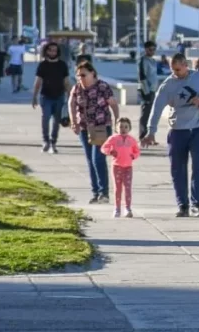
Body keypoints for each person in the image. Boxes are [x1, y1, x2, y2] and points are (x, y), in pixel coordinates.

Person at [144, 54, 199, 218]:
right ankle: (182, 205)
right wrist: (151, 131)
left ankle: (197, 204)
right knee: (178, 170)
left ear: (185, 65)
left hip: (198, 130)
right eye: (172, 70)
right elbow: (156, 108)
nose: (175, 73)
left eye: (177, 69)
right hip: (177, 131)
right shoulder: (168, 85)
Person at [68, 61, 120, 204]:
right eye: (78, 76)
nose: (81, 78)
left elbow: (113, 104)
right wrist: (73, 122)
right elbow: (71, 104)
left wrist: (117, 122)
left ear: (93, 74)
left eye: (83, 75)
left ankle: (104, 193)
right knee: (90, 160)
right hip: (85, 128)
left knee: (98, 158)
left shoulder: (102, 87)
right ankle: (96, 192)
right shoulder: (77, 88)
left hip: (101, 127)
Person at [31, 41, 70, 153]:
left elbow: (66, 82)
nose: (53, 52)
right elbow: (38, 81)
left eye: (55, 50)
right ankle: (45, 141)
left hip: (59, 96)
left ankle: (53, 142)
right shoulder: (43, 65)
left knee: (57, 121)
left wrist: (71, 96)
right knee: (46, 118)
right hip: (46, 96)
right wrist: (34, 96)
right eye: (50, 50)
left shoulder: (62, 65)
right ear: (46, 51)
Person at [100, 117, 141, 218]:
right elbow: (103, 148)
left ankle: (127, 208)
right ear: (116, 128)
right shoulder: (113, 139)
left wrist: (134, 156)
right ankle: (117, 208)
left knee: (128, 188)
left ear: (129, 128)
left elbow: (137, 151)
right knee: (117, 188)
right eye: (120, 127)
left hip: (128, 167)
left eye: (126, 127)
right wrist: (110, 151)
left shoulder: (132, 140)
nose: (123, 129)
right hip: (117, 166)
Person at [137, 41, 159, 140]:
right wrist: (146, 93)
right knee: (145, 112)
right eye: (150, 49)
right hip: (146, 90)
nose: (152, 51)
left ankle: (150, 136)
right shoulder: (143, 60)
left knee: (151, 113)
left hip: (153, 90)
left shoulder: (153, 61)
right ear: (146, 49)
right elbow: (142, 77)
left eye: (154, 49)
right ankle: (142, 134)